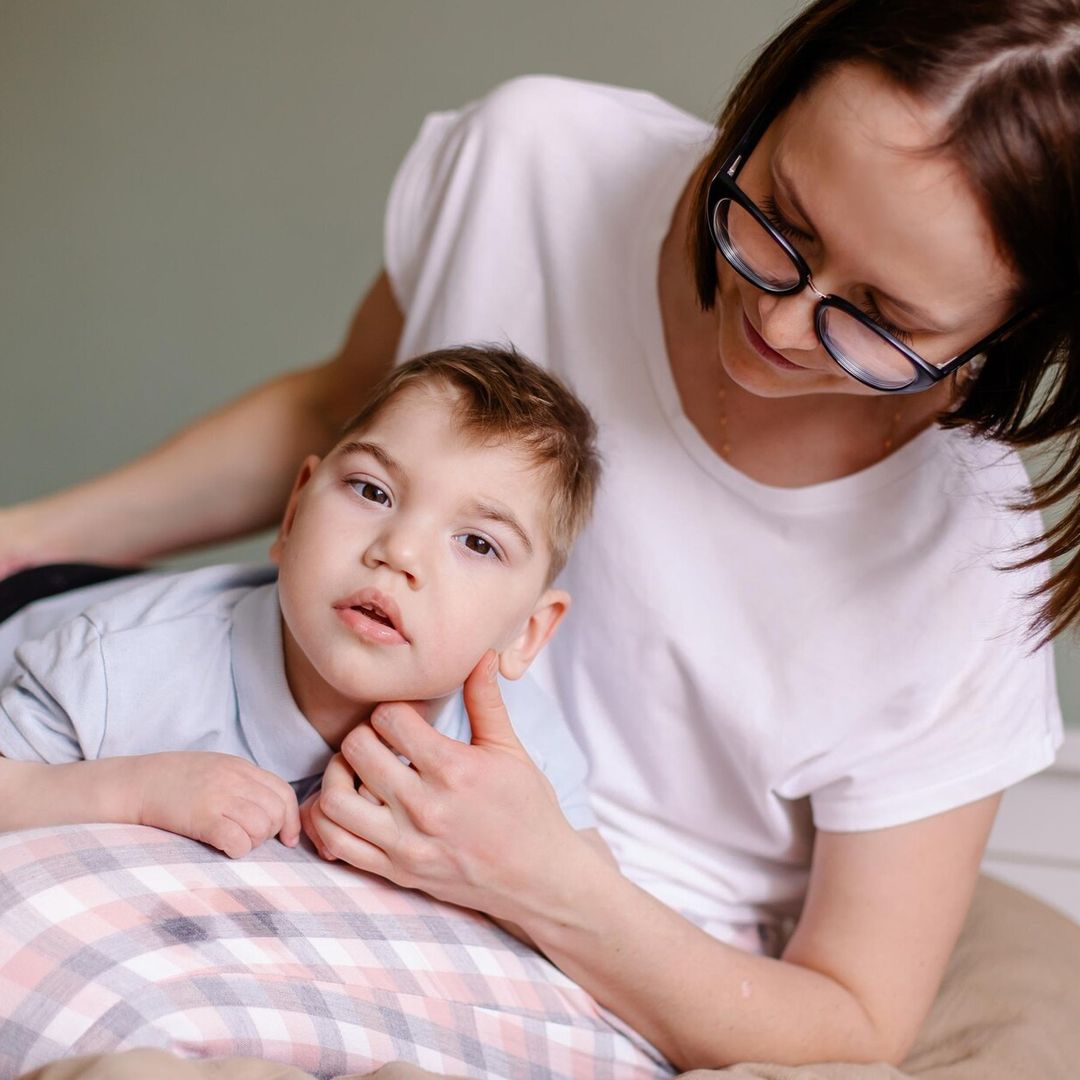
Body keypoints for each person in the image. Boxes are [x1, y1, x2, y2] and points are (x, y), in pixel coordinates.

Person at [1, 0, 1077, 1071]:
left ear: (1009, 328)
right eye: (781, 222)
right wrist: (26, 535)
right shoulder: (540, 164)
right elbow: (336, 413)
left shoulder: (966, 568)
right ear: (766, 104)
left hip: (596, 947)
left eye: (884, 319)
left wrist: (542, 880)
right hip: (263, 750)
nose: (781, 323)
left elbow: (853, 1023)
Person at [0, 346, 601, 860]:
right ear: (293, 514)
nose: (400, 552)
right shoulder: (118, 667)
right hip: (38, 605)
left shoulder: (517, 750)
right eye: (373, 491)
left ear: (526, 633)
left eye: (477, 543)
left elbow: (583, 880)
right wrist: (132, 789)